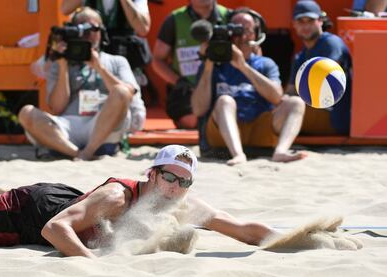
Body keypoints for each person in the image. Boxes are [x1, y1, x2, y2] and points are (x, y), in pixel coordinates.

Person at [0, 144, 361, 257]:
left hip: (69, 204)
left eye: (184, 181)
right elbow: (53, 228)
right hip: (21, 212)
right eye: (169, 177)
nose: (175, 188)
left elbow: (241, 230)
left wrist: (301, 237)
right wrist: (96, 268)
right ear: (152, 175)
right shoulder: (118, 195)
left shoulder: (181, 203)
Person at [19, 7, 145, 161]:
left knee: (121, 91)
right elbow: (57, 107)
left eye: (93, 29)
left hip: (103, 126)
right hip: (68, 126)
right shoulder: (59, 63)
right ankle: (76, 154)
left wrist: (99, 67)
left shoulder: (116, 61)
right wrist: (63, 66)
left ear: (102, 33)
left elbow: (128, 94)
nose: (88, 34)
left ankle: (88, 151)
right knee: (26, 112)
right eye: (82, 29)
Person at [192, 8, 306, 165]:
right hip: (221, 133)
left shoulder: (265, 64)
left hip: (259, 129)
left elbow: (276, 98)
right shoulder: (214, 65)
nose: (242, 36)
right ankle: (238, 154)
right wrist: (209, 63)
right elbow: (198, 109)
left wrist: (243, 66)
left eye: (247, 30)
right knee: (225, 100)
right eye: (236, 30)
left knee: (296, 103)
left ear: (256, 35)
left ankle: (280, 151)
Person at [152, 0, 230, 129]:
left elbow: (251, 52)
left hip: (224, 85)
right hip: (189, 88)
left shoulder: (229, 16)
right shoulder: (174, 19)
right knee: (192, 121)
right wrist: (179, 82)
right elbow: (157, 60)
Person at [286, 0, 352, 135]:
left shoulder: (331, 43)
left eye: (310, 20)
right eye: (301, 21)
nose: (305, 26)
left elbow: (321, 84)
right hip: (315, 112)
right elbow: (290, 91)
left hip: (336, 117)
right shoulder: (300, 56)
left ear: (321, 20)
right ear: (294, 24)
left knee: (288, 107)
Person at [61, 0, 152, 86]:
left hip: (124, 59)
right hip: (91, 61)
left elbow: (143, 29)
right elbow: (65, 8)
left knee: (125, 92)